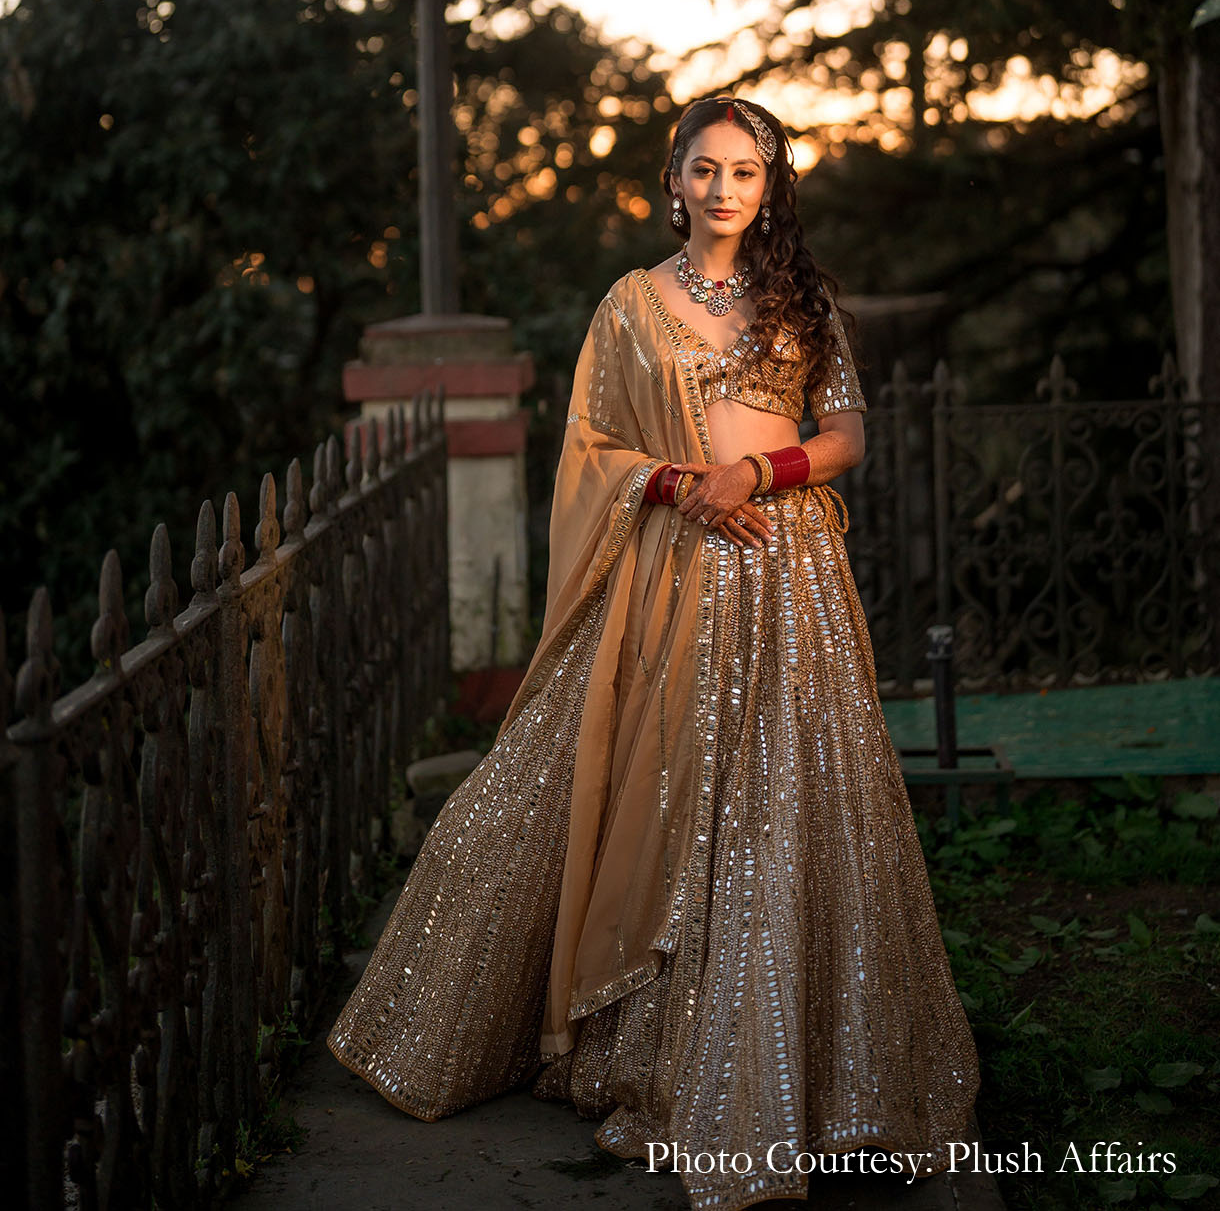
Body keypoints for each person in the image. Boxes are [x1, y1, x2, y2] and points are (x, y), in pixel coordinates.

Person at [327, 95, 979, 1209]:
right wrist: (682, 484)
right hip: (668, 573)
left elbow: (845, 435)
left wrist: (756, 473)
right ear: (671, 179)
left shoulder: (803, 299)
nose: (724, 188)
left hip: (790, 578)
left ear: (770, 187)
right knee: (629, 786)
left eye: (745, 171)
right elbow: (592, 448)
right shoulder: (629, 306)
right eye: (704, 168)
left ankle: (811, 1073)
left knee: (788, 802)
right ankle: (623, 1036)